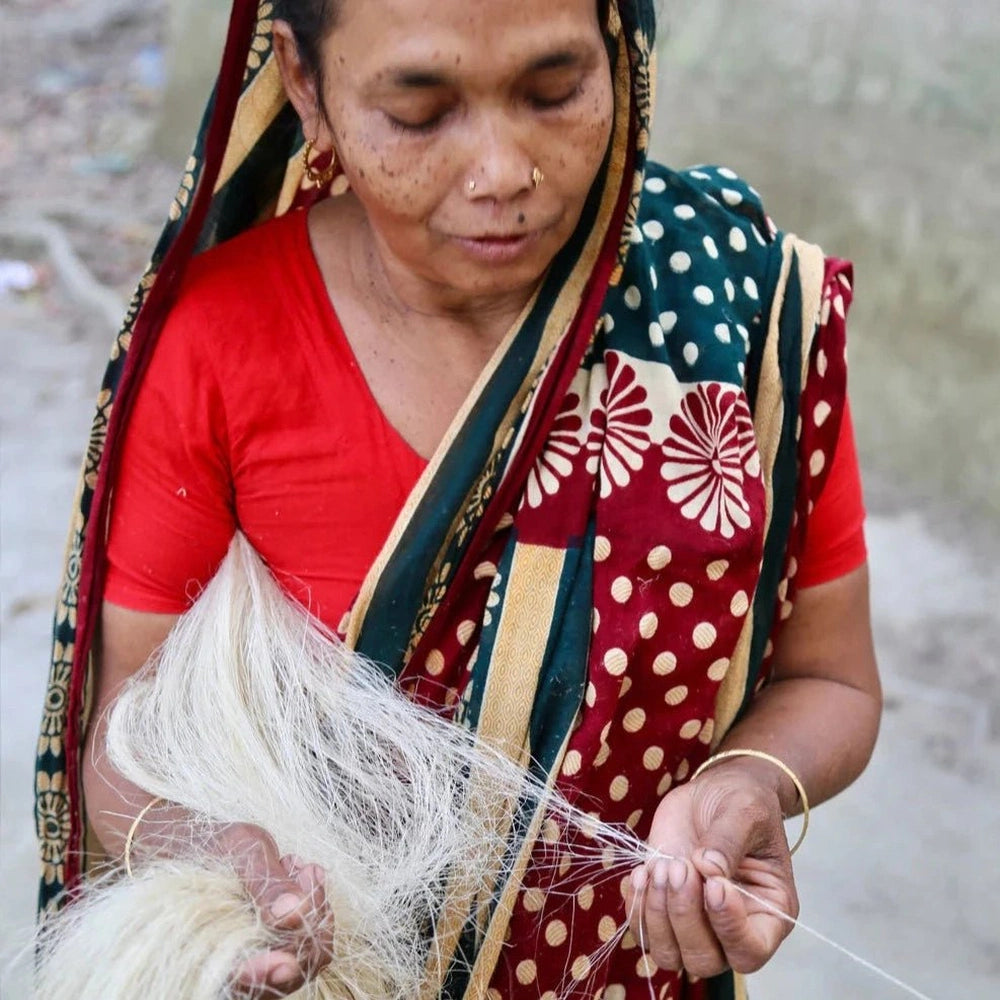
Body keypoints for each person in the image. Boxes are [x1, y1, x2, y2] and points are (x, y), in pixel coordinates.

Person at [35, 1, 881, 998]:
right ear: (306, 85)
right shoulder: (219, 342)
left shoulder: (736, 317)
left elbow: (835, 684)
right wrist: (226, 868)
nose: (502, 174)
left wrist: (746, 782)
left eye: (554, 91)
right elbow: (126, 747)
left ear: (621, 56)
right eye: (421, 110)